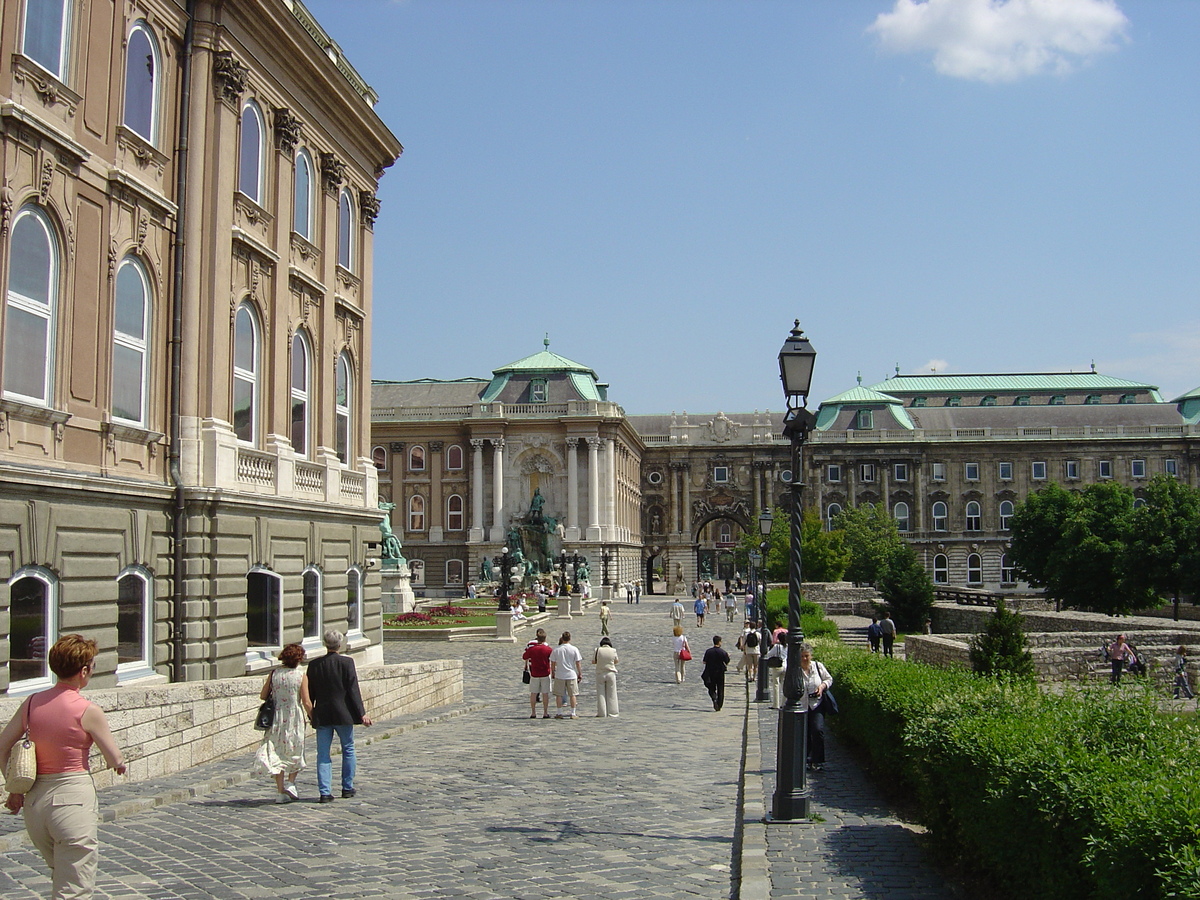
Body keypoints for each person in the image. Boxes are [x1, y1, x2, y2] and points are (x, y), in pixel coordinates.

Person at [0, 634, 126, 900]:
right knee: (75, 887)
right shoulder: (87, 710)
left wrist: (14, 789)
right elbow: (114, 758)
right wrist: (119, 765)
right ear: (83, 671)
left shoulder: (32, 703)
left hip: (35, 805)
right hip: (71, 801)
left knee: (61, 875)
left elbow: (2, 747)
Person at [303, 629, 372, 803]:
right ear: (339, 644)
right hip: (344, 713)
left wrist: (311, 714)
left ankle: (324, 792)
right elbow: (353, 690)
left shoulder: (314, 665)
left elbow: (310, 694)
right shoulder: (347, 662)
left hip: (323, 713)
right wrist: (361, 713)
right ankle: (347, 787)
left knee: (323, 754)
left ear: (325, 643)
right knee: (348, 749)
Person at [254, 643, 307, 802]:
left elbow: (263, 695)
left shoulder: (274, 673)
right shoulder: (300, 675)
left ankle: (280, 792)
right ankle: (291, 783)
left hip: (277, 716)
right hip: (293, 716)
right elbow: (306, 700)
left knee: (277, 750)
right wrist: (312, 716)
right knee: (295, 747)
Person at [795, 642, 834, 771]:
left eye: (807, 656)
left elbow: (829, 679)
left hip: (816, 704)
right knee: (804, 733)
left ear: (811, 656)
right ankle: (805, 759)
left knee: (818, 730)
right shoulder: (795, 670)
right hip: (801, 705)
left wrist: (822, 687)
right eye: (802, 656)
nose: (805, 659)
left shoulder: (818, 666)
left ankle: (818, 760)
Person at [549, 631, 584, 719]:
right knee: (573, 694)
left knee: (559, 695)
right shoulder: (574, 649)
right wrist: (580, 673)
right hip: (571, 674)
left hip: (560, 674)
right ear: (570, 639)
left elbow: (552, 663)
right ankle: (573, 713)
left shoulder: (556, 649)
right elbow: (578, 663)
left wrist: (552, 672)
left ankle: (559, 712)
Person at [523, 628, 553, 718]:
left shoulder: (532, 649)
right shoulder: (548, 649)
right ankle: (545, 712)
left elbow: (524, 657)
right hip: (545, 673)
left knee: (533, 693)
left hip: (534, 673)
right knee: (545, 693)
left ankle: (533, 712)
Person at [701, 636, 731, 711]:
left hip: (710, 672)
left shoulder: (708, 651)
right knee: (720, 688)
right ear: (719, 642)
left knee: (711, 687)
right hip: (720, 672)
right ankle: (719, 704)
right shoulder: (723, 652)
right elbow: (727, 662)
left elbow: (704, 661)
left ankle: (714, 698)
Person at [593, 637, 620, 718]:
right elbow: (616, 661)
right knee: (612, 694)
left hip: (600, 673)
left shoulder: (597, 650)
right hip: (611, 673)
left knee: (600, 694)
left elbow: (593, 661)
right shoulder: (613, 650)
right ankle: (613, 712)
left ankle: (602, 713)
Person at [764, 632, 788, 708]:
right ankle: (784, 703)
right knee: (784, 685)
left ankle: (776, 704)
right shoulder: (788, 646)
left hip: (777, 666)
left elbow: (769, 654)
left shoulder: (777, 646)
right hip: (785, 666)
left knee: (775, 685)